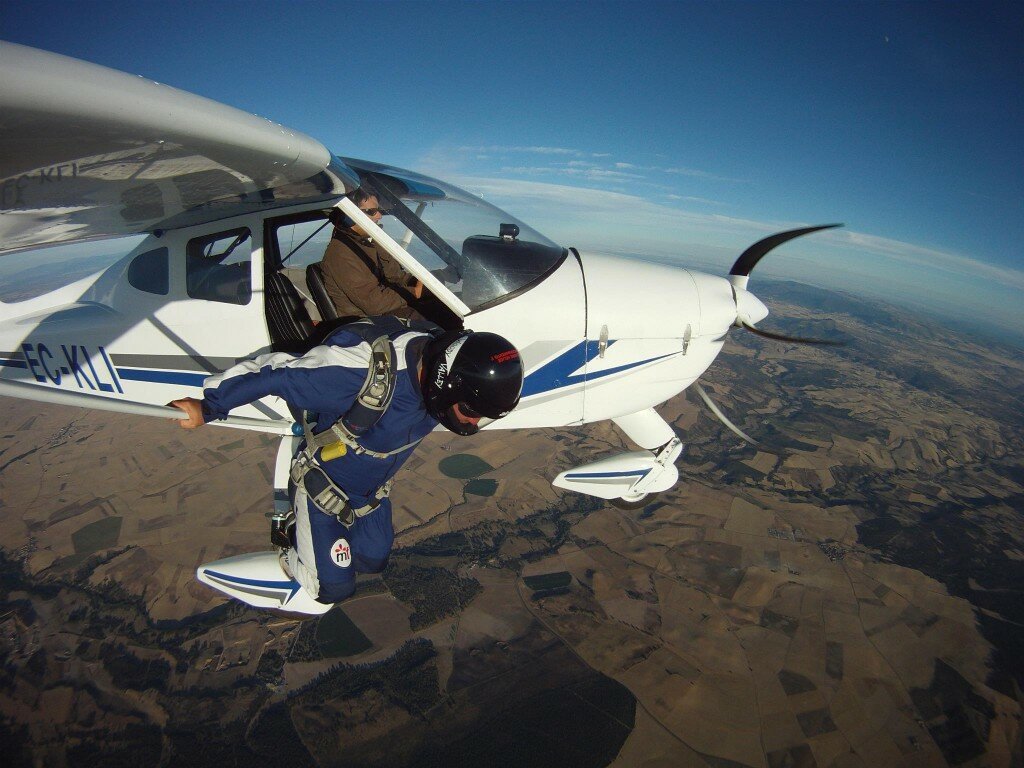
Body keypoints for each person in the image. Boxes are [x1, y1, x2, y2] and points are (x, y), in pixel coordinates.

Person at [170, 318, 523, 604]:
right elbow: (277, 372)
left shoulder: (440, 365)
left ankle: (328, 550)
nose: (472, 423)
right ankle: (291, 546)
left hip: (370, 494)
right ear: (445, 384)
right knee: (333, 590)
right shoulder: (365, 377)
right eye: (471, 412)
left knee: (373, 560)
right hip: (322, 487)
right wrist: (209, 406)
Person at [320, 189, 423, 320]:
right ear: (349, 218)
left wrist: (422, 282)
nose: (379, 215)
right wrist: (414, 292)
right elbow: (373, 304)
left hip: (388, 312)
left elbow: (394, 275)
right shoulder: (340, 253)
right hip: (368, 323)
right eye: (371, 211)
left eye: (378, 210)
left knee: (438, 307)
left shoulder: (369, 241)